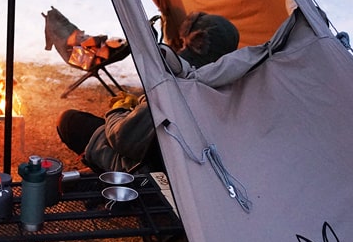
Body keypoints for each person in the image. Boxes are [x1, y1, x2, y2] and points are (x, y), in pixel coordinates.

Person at [56, 11, 240, 174]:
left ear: (198, 43)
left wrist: (119, 110)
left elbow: (123, 139)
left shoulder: (178, 85)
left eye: (184, 43)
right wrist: (139, 105)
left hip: (149, 171)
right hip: (188, 167)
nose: (180, 49)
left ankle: (108, 175)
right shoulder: (230, 89)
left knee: (69, 121)